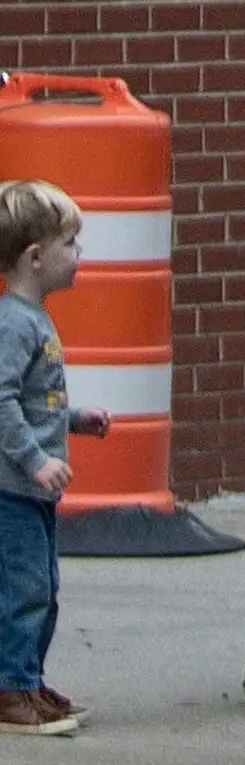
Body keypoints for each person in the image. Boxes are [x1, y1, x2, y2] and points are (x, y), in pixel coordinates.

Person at [0, 182, 115, 735]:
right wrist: (34, 460)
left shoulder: (35, 319)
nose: (79, 254)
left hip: (33, 491)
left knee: (43, 588)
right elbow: (0, 403)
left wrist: (74, 421)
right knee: (23, 590)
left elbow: (32, 401)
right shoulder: (14, 324)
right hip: (13, 490)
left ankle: (28, 679)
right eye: (71, 242)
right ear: (36, 257)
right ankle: (10, 689)